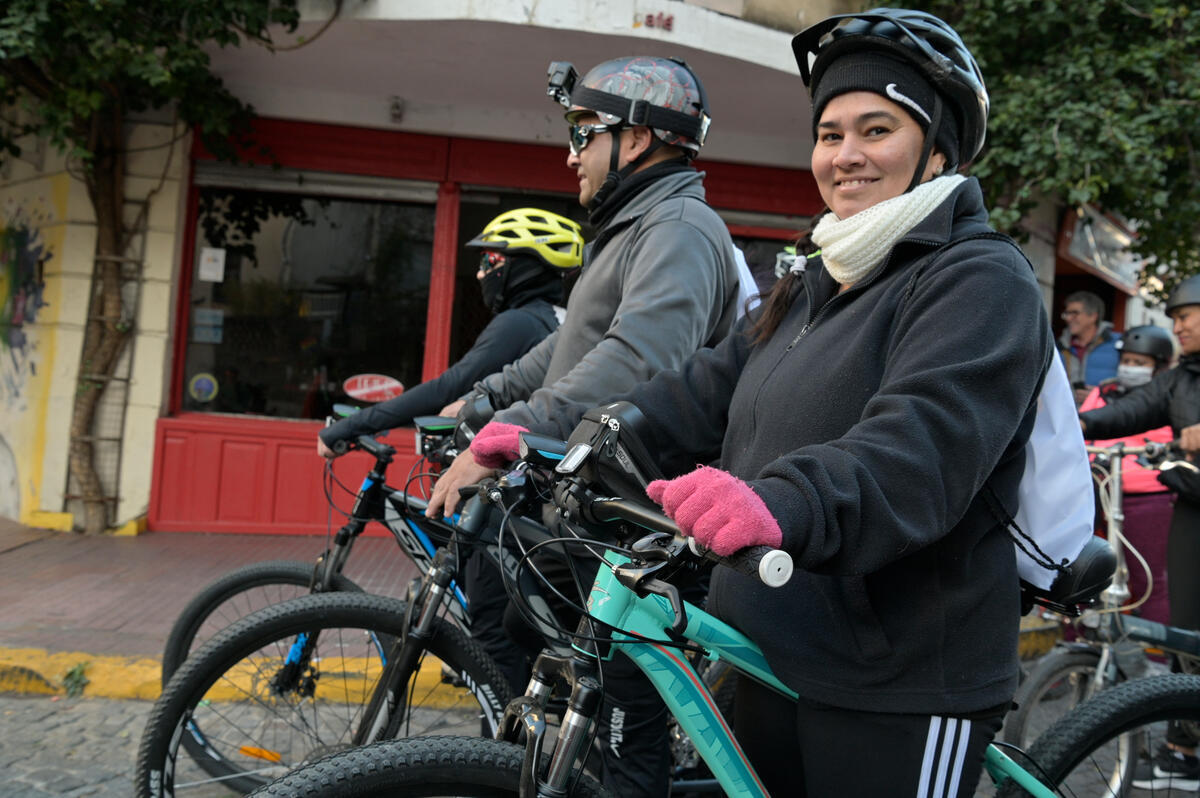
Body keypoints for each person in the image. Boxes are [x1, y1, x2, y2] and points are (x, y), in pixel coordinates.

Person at [432, 9, 1053, 796]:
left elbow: (921, 448)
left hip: (898, 678)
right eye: (830, 134)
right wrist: (557, 439)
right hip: (768, 647)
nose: (847, 155)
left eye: (877, 129)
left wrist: (777, 501)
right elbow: (698, 392)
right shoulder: (819, 274)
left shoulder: (979, 278)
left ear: (939, 150)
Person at [428, 55, 746, 797]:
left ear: (634, 140)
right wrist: (484, 402)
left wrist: (506, 435)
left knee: (625, 734)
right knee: (517, 631)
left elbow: (637, 362)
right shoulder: (632, 226)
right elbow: (568, 345)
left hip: (638, 520)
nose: (569, 153)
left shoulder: (680, 229)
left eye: (583, 131)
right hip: (590, 508)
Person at [316, 208, 582, 456]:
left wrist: (351, 426)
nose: (480, 275)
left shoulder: (520, 322)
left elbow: (448, 388)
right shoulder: (558, 317)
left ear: (524, 267)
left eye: (490, 261)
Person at [1080, 279, 1200, 790]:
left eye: (1189, 315)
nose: (1179, 325)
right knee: (1188, 630)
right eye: (1175, 316)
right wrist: (1065, 420)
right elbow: (1125, 413)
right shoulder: (1180, 381)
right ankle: (1183, 750)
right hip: (1193, 510)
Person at [1078, 325, 1174, 624]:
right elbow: (1087, 430)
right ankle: (1077, 648)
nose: (1130, 368)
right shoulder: (1103, 391)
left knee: (1149, 580)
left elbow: (1168, 441)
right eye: (1127, 361)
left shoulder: (1165, 398)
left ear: (1157, 366)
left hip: (1145, 499)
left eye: (1140, 363)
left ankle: (1159, 657)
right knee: (1081, 572)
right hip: (1097, 492)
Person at [1059, 290, 1121, 407]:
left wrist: (1101, 397)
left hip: (1104, 418)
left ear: (1093, 316)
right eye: (1067, 313)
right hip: (1069, 419)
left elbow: (1130, 388)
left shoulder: (1118, 345)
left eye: (1074, 313)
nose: (1068, 318)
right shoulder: (1059, 347)